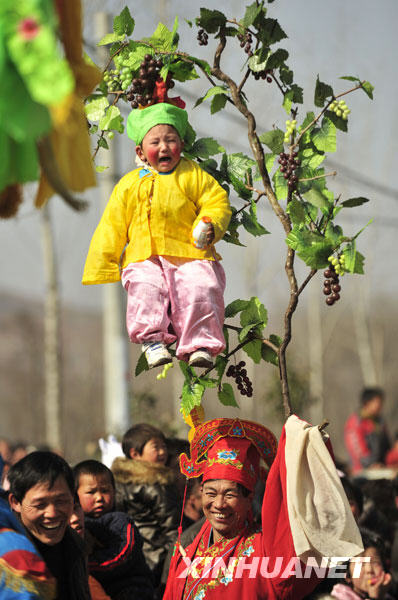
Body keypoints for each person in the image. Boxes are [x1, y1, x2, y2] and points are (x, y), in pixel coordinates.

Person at [82, 100, 231, 369]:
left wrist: (209, 223)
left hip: (190, 254)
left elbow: (216, 201)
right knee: (146, 288)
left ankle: (200, 344)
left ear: (182, 145)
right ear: (140, 150)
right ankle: (152, 341)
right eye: (155, 142)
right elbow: (112, 225)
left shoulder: (193, 175)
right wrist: (103, 263)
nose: (164, 147)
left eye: (171, 140)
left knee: (201, 287)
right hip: (144, 257)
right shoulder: (129, 184)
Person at [163, 416, 363, 600]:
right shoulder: (185, 551)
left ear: (250, 498)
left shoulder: (267, 554)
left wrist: (299, 448)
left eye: (230, 494)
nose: (219, 504)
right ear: (200, 492)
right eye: (211, 493)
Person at [7, 451, 90, 600]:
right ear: (15, 503)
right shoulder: (6, 557)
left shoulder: (76, 547)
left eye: (61, 501)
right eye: (40, 505)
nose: (51, 513)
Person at [73, 459, 154, 600]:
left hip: (132, 588)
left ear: (114, 491)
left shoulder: (119, 521)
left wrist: (86, 566)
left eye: (105, 491)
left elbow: (123, 555)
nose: (99, 498)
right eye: (91, 492)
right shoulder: (76, 523)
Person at [111, 424, 180, 587]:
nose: (163, 452)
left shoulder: (117, 482)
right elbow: (173, 530)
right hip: (157, 561)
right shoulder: (157, 483)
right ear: (135, 453)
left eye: (164, 446)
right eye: (156, 447)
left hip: (125, 559)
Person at [331, 529, 394, 600]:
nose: (369, 570)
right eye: (361, 563)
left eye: (375, 562)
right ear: (348, 576)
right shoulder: (339, 597)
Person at [344, 387, 391, 475]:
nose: (380, 406)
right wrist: (371, 465)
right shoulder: (356, 422)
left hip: (380, 469)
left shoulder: (380, 422)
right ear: (367, 403)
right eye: (378, 402)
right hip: (361, 472)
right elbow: (358, 450)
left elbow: (386, 447)